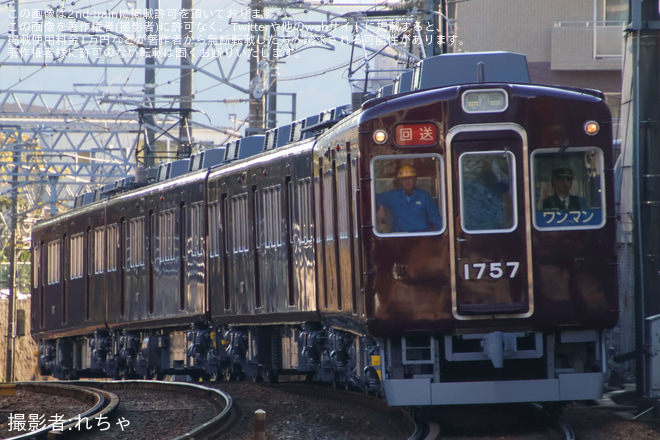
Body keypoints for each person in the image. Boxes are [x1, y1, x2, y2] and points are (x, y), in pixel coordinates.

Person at [376, 165, 443, 233]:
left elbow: (435, 217)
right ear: (400, 181)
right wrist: (381, 205)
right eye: (404, 179)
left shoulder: (424, 196)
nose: (407, 181)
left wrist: (437, 235)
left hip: (421, 238)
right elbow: (373, 198)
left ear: (415, 179)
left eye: (410, 178)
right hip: (398, 238)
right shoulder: (392, 196)